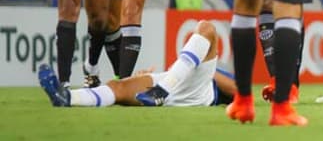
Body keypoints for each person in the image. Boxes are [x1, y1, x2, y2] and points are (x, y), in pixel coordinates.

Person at [39, 20, 235, 108]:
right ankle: (66, 97)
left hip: (199, 92)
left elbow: (236, 90)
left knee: (206, 28)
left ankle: (161, 90)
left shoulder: (217, 75)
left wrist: (193, 67)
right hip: (171, 84)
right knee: (119, 86)